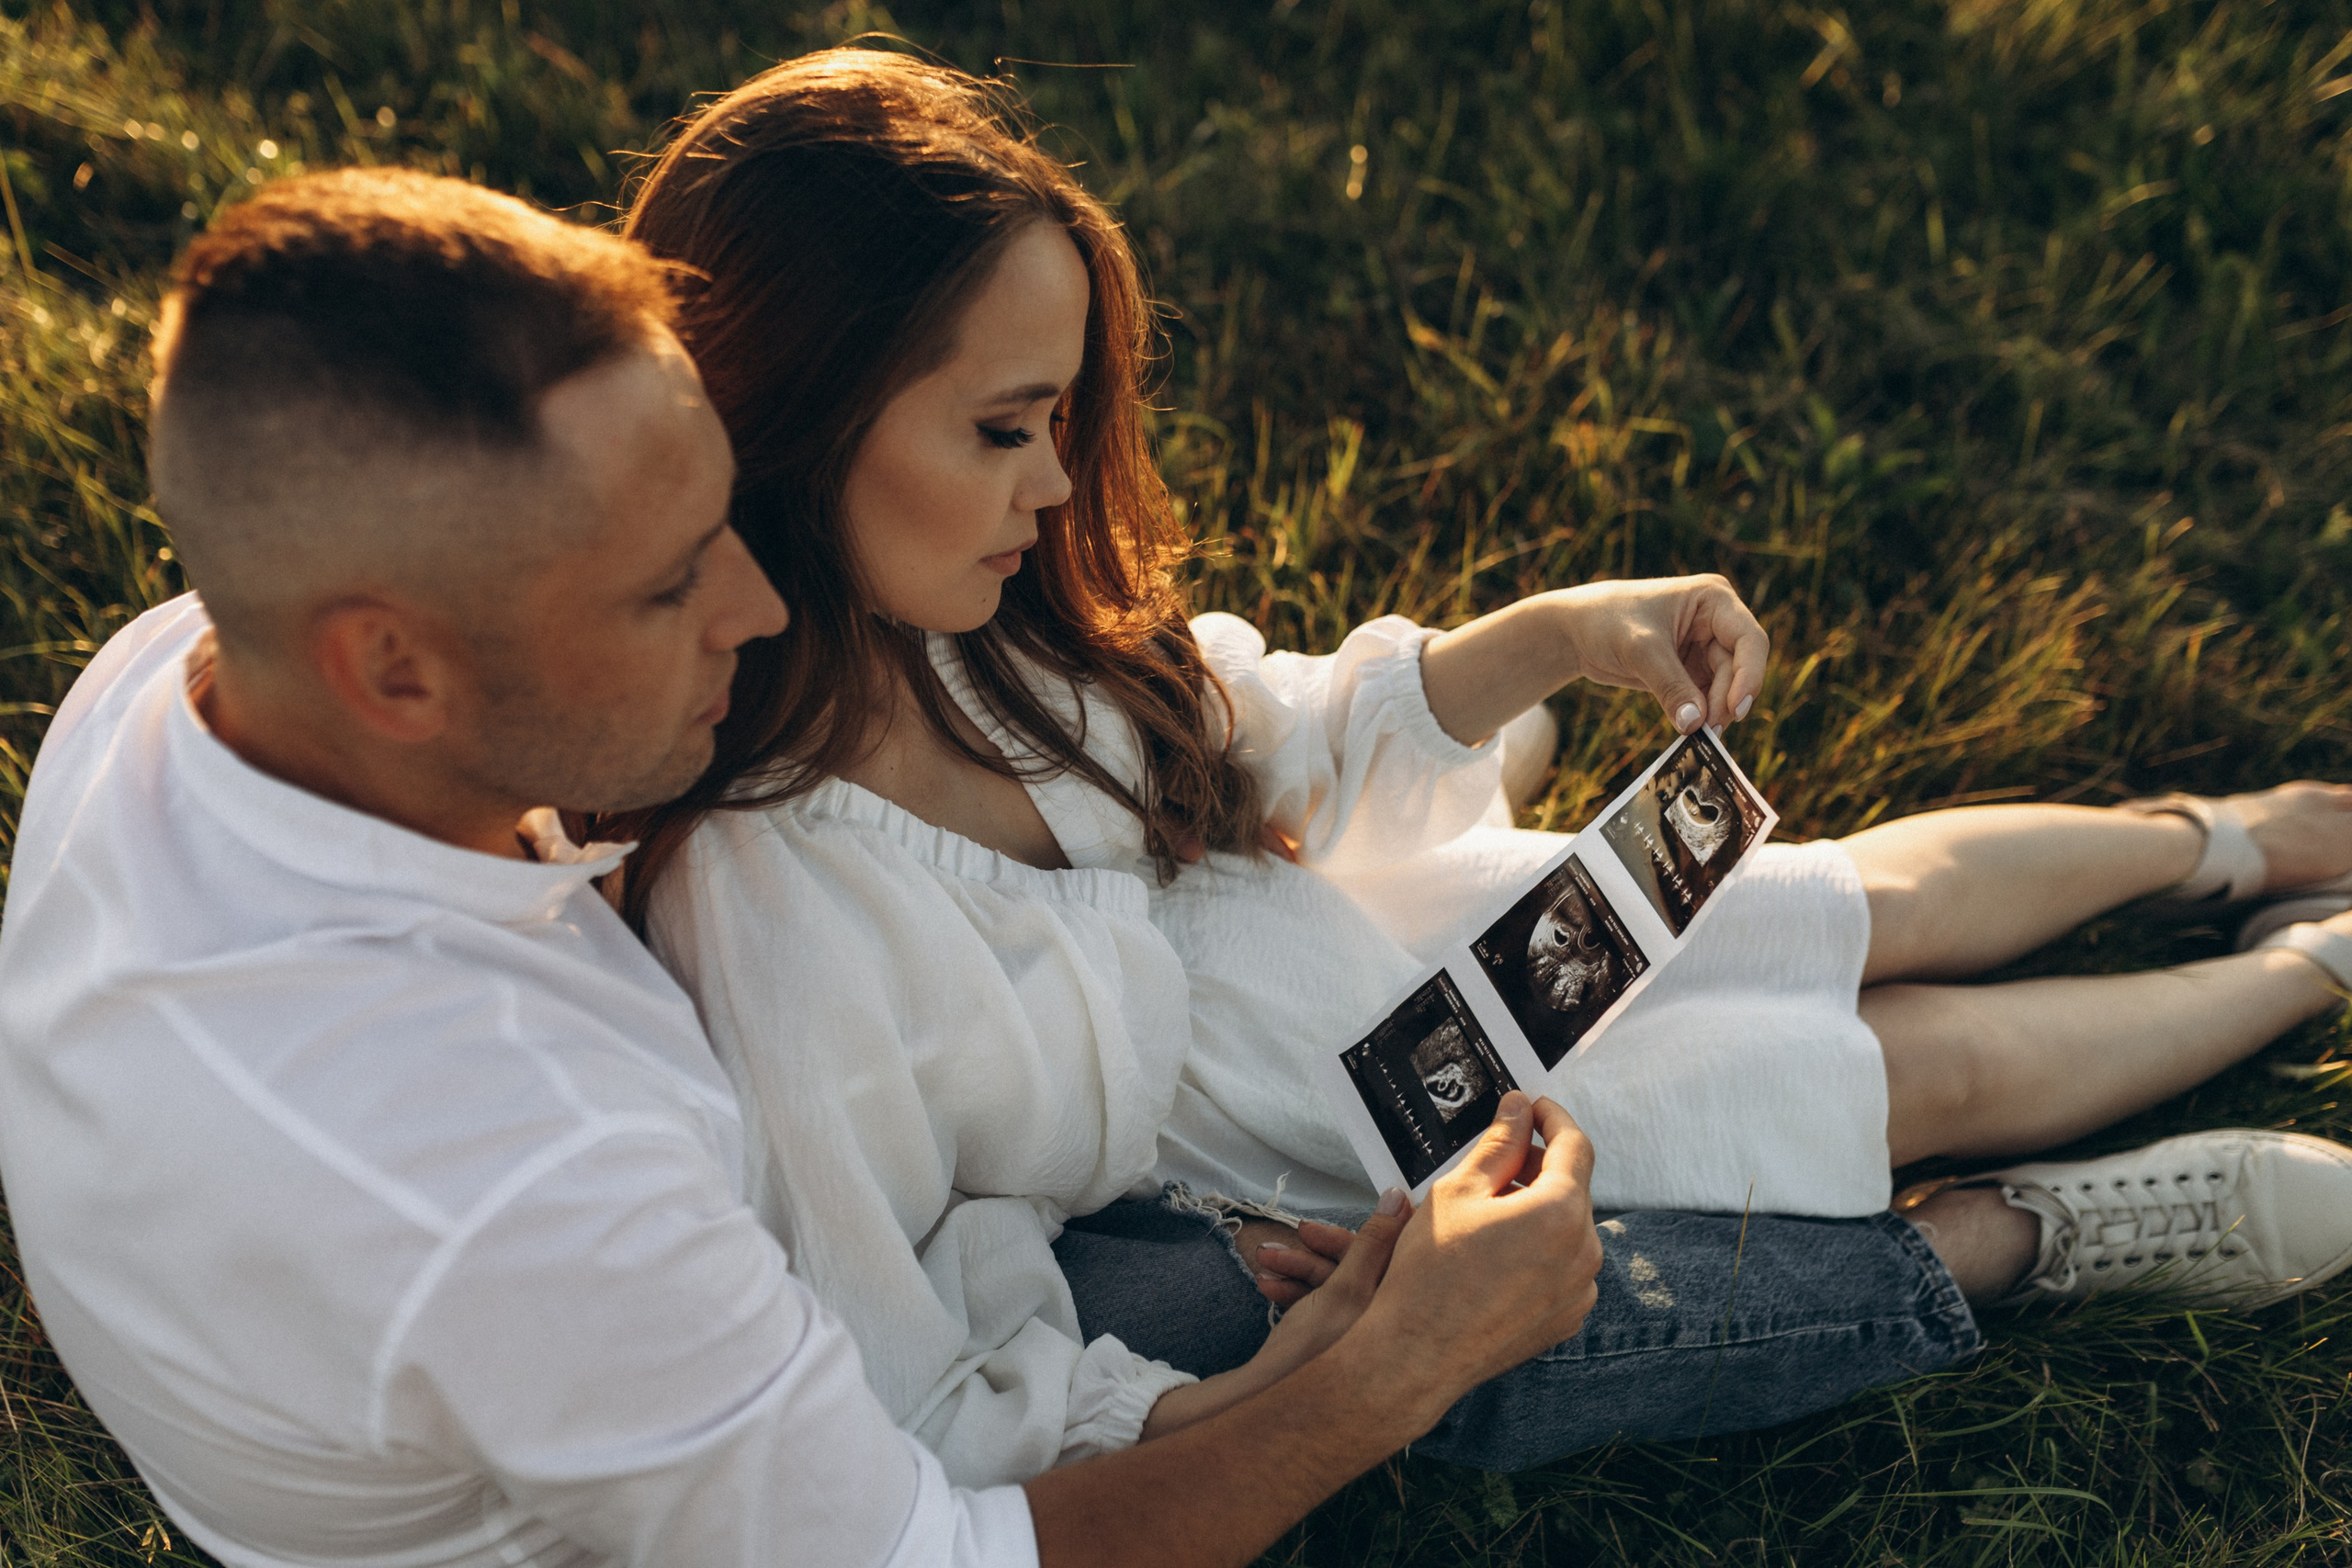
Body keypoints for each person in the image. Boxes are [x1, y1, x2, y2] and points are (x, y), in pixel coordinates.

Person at [609, 49, 2352, 1488]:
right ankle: (2303, 968)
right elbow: (927, 1343)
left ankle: (2213, 844)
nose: (1058, 487)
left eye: (1064, 420)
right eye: (1003, 430)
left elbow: (1259, 736)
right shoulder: (778, 916)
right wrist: (1224, 1382)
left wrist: (1565, 633)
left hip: (1374, 940)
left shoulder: (976, 635)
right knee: (1905, 1076)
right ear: (794, 407)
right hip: (1333, 1132)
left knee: (1846, 898)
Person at [0, 166, 1614, 1568]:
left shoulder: (185, 676)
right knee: (1392, 1265)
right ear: (396, 672)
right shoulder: (532, 1173)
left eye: (723, 525)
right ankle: (1870, 1276)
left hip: (504, 1362)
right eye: (659, 591)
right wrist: (1378, 1380)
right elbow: (955, 1556)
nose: (756, 613)